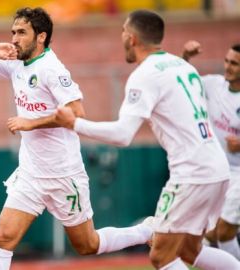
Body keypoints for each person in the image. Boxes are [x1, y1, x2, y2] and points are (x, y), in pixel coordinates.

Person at [0, 7, 153, 270]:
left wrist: (31, 123)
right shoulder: (15, 63)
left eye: (22, 32)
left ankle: (145, 232)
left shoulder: (52, 69)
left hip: (64, 174)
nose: (15, 38)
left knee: (87, 245)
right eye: (13, 32)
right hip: (31, 173)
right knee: (3, 237)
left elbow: (77, 113)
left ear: (41, 37)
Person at [52, 10, 240, 269]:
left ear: (131, 38)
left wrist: (73, 123)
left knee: (161, 255)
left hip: (191, 174)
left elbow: (122, 135)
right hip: (217, 170)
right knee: (190, 251)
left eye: (122, 33)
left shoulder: (144, 75)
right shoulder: (182, 65)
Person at [182, 41, 240, 260]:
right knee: (211, 235)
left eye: (234, 63)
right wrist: (186, 56)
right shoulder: (214, 85)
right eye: (227, 61)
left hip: (238, 174)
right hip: (216, 172)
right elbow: (183, 80)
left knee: (224, 232)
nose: (228, 66)